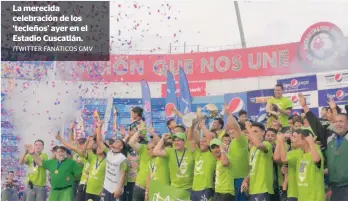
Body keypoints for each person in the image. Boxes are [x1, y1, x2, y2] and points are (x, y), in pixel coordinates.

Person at [299, 93, 348, 200]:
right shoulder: (330, 138)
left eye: (341, 122)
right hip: (334, 187)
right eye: (336, 122)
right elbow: (317, 126)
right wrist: (304, 107)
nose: (338, 124)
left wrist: (334, 110)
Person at [278, 129, 325, 201]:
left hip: (314, 197)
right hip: (302, 197)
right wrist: (281, 141)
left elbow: (316, 160)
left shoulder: (316, 150)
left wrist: (311, 142)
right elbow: (283, 159)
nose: (295, 140)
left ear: (305, 140)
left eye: (298, 138)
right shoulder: (299, 153)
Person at [95, 121, 128, 201]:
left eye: (118, 142)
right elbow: (99, 141)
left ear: (121, 147)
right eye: (115, 141)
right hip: (106, 188)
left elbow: (123, 176)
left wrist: (119, 189)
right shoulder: (108, 152)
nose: (115, 142)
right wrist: (99, 127)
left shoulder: (123, 159)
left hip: (115, 190)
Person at [241, 122, 274, 201]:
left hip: (263, 189)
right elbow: (252, 170)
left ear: (263, 133)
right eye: (252, 132)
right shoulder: (252, 149)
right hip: (252, 190)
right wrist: (245, 180)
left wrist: (249, 129)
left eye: (255, 131)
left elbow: (259, 145)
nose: (252, 134)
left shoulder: (267, 144)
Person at [224, 107, 249, 201]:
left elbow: (236, 127)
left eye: (232, 129)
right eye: (229, 129)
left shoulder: (241, 140)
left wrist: (229, 114)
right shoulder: (231, 143)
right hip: (231, 180)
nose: (230, 131)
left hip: (241, 179)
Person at [191, 136, 216, 201]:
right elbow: (192, 138)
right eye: (201, 142)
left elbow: (210, 138)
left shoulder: (212, 155)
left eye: (204, 141)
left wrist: (202, 126)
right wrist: (194, 125)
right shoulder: (197, 153)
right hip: (194, 189)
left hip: (206, 188)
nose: (202, 143)